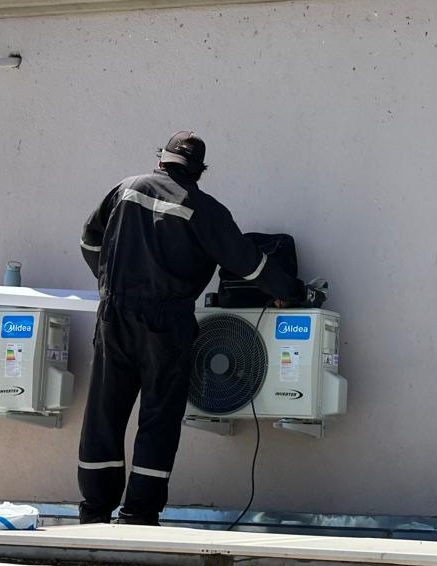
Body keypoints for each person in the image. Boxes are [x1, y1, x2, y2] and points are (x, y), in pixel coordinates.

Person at [76, 132, 303, 525]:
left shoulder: (125, 189)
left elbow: (88, 240)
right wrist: (291, 291)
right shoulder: (202, 208)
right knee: (158, 418)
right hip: (167, 323)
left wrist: (110, 283)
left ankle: (94, 511)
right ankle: (138, 515)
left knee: (104, 413)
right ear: (199, 171)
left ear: (160, 160)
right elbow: (248, 263)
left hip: (114, 314)